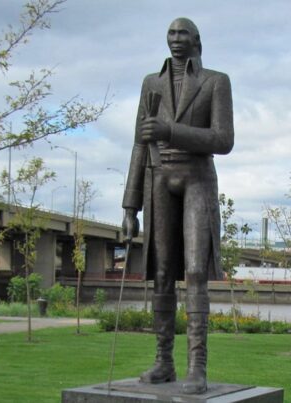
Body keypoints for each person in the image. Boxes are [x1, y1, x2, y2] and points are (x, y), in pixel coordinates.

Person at [121, 17, 234, 395]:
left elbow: (223, 139)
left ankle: (197, 367)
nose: (176, 39)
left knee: (196, 271)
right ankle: (163, 361)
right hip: (158, 179)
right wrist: (130, 206)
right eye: (171, 33)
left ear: (197, 40)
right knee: (164, 272)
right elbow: (139, 143)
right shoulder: (151, 84)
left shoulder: (216, 81)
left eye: (183, 33)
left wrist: (170, 131)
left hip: (197, 179)